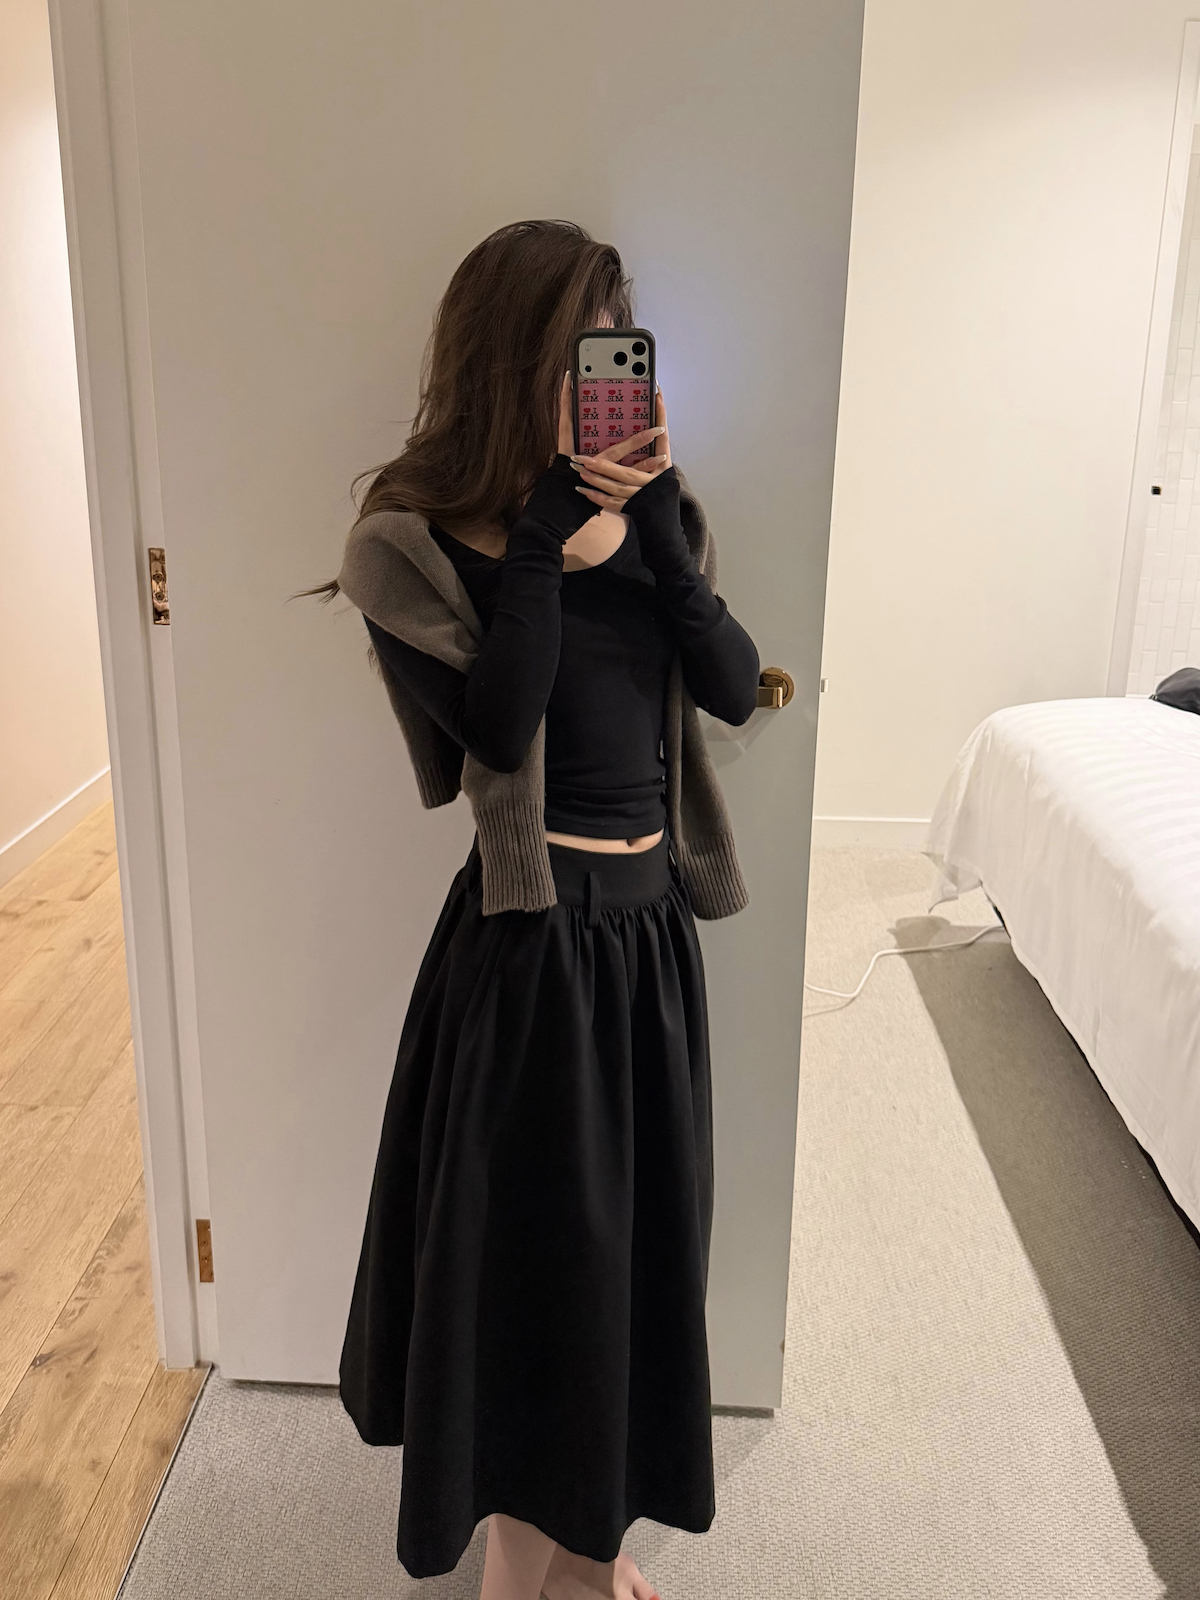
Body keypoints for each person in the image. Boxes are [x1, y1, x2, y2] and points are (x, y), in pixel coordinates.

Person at [328, 219, 760, 1600]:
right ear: (518, 357)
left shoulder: (663, 518)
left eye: (620, 348)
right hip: (533, 951)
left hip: (650, 944)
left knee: (634, 1261)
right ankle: (519, 1585)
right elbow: (496, 732)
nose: (606, 375)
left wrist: (663, 536)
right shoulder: (408, 546)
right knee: (535, 1281)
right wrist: (536, 550)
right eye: (585, 346)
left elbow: (733, 688)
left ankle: (593, 1550)